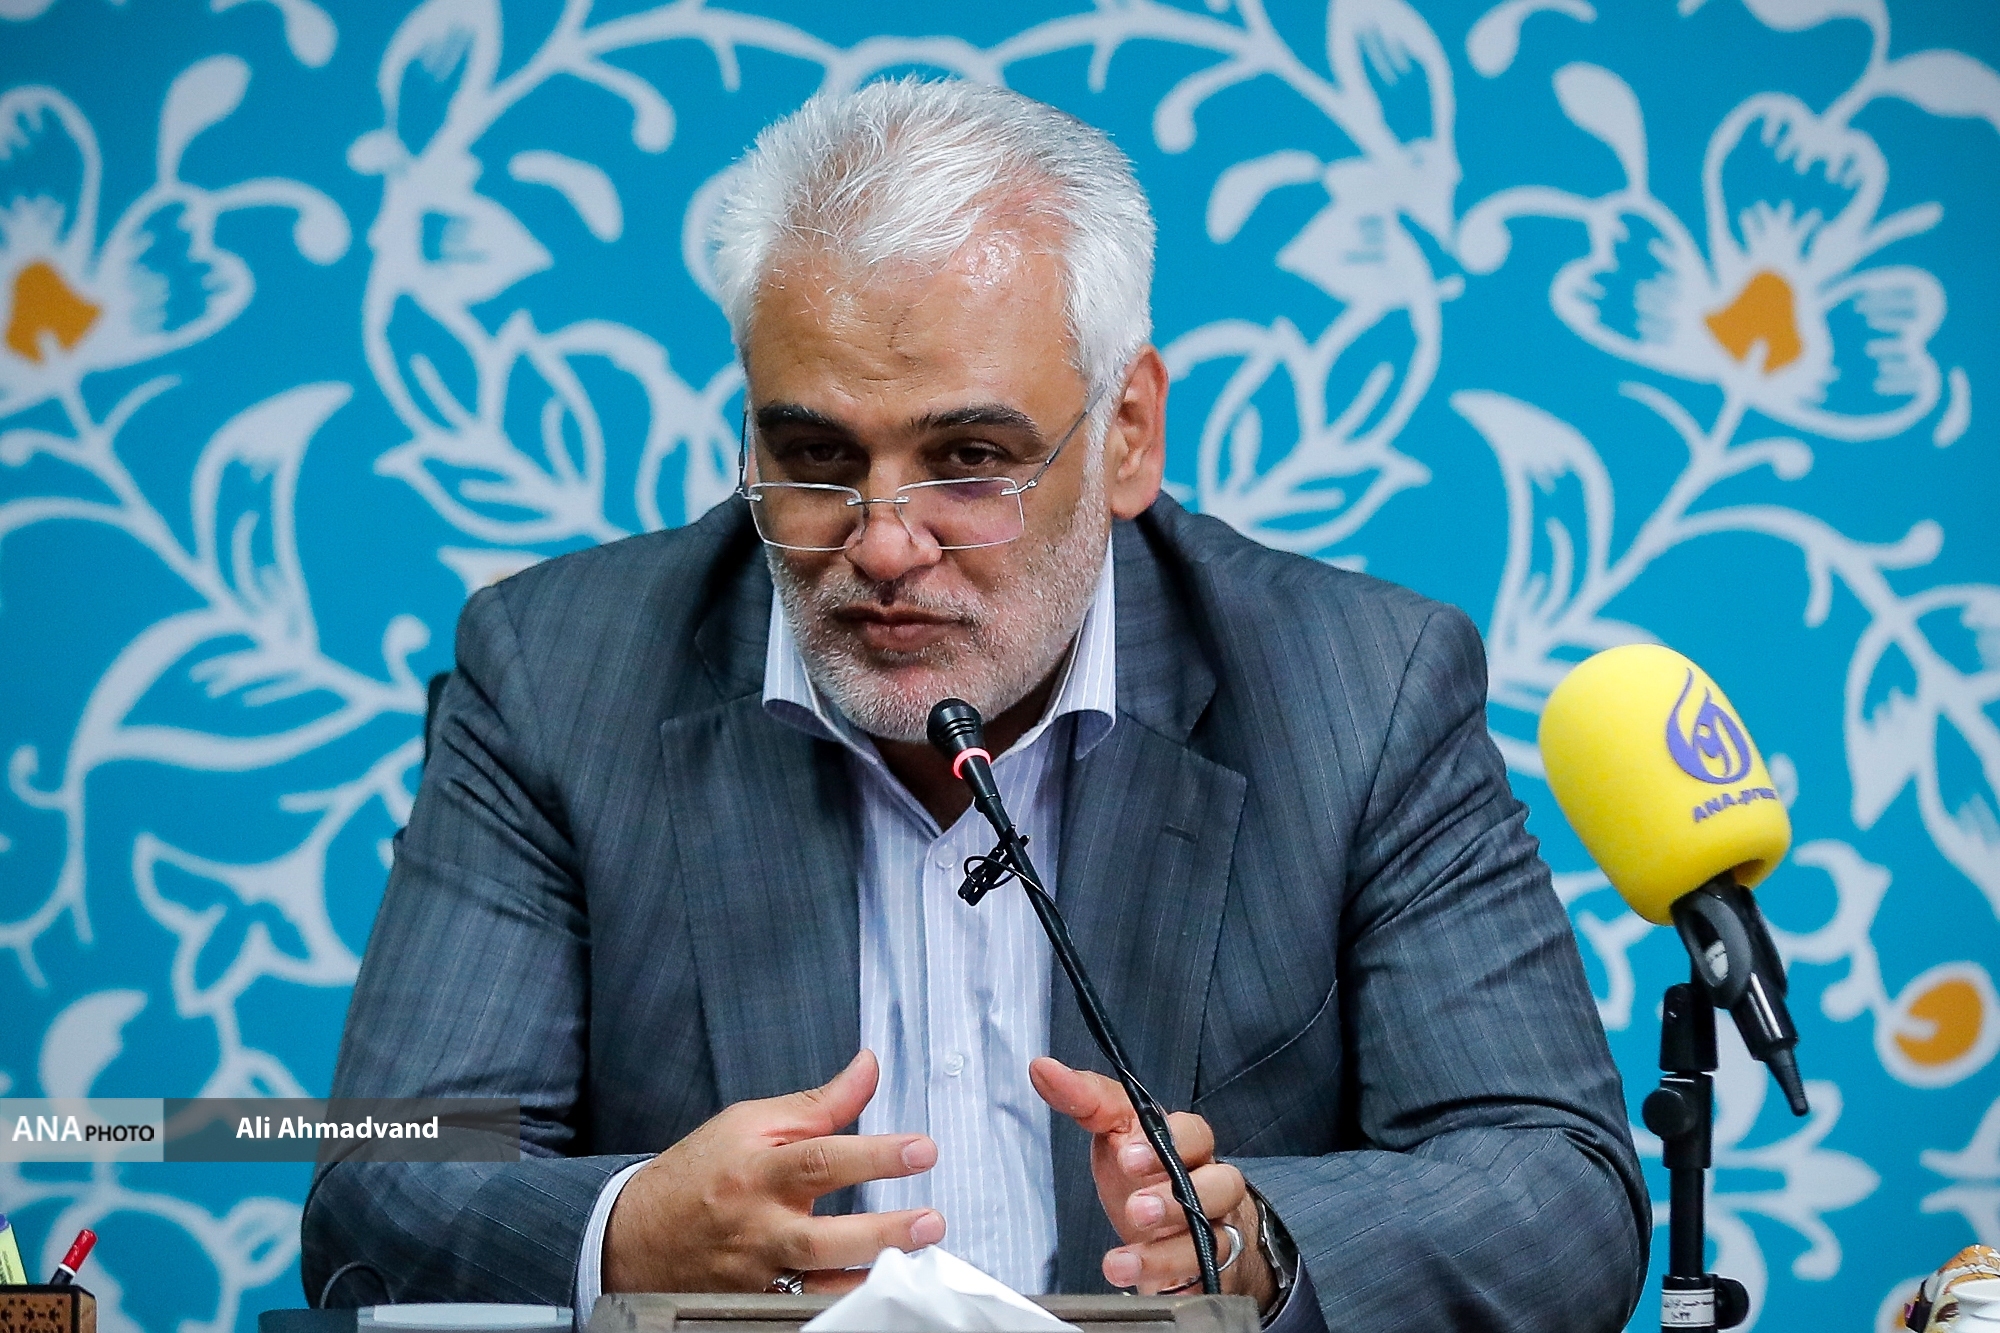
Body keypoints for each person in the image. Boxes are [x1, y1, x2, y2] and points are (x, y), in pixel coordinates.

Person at [303, 79, 1647, 1331]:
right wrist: (624, 1232)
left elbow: (1557, 1185)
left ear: (1126, 434)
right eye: (816, 455)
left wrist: (1260, 1250)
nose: (885, 544)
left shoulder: (1362, 688)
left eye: (969, 458)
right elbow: (383, 1168)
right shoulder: (556, 674)